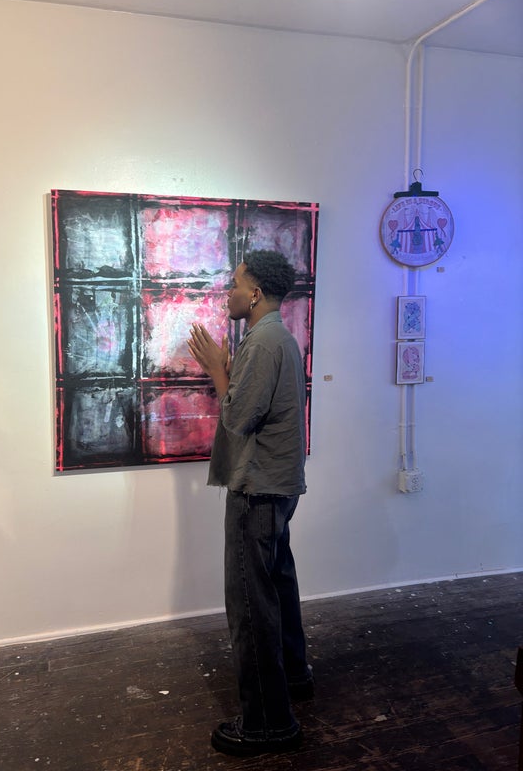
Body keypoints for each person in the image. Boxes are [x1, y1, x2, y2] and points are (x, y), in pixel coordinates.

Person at [187, 249, 313, 757]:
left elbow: (239, 418)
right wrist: (226, 368)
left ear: (255, 292)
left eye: (236, 284)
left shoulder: (262, 343)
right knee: (276, 585)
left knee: (250, 601)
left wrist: (217, 370)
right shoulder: (278, 338)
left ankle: (267, 723)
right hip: (275, 485)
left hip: (257, 487)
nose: (230, 293)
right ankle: (295, 676)